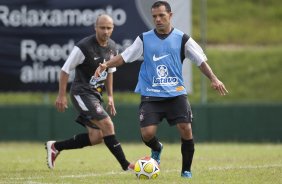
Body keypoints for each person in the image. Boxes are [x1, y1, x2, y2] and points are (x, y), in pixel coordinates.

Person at [95, 1, 228, 178]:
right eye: (155, 16)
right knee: (147, 133)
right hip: (151, 95)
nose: (157, 19)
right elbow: (124, 57)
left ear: (170, 16)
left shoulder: (183, 39)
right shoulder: (144, 38)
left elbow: (200, 61)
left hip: (176, 94)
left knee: (185, 129)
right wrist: (106, 65)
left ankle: (186, 170)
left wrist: (214, 78)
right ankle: (157, 149)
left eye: (161, 15)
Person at [45, 14, 134, 171]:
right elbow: (65, 70)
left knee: (96, 137)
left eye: (109, 28)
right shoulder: (84, 47)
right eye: (102, 27)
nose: (105, 31)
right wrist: (61, 95)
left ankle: (56, 146)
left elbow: (110, 71)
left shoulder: (113, 46)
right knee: (107, 124)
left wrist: (110, 96)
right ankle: (126, 165)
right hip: (81, 93)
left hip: (95, 95)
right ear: (95, 27)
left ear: (113, 28)